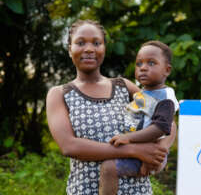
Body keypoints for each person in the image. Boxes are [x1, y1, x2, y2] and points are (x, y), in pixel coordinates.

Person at [46, 19, 176, 195]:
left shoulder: (124, 87)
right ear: (70, 50)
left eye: (97, 43)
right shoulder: (60, 94)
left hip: (137, 190)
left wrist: (159, 154)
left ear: (104, 49)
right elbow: (70, 146)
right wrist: (135, 150)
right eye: (80, 43)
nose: (90, 49)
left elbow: (168, 123)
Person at [99, 41, 179, 195]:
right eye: (139, 63)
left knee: (108, 168)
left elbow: (161, 127)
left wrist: (129, 138)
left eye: (151, 63)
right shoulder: (144, 93)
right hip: (140, 150)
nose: (143, 68)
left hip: (151, 153)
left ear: (167, 70)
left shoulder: (165, 97)